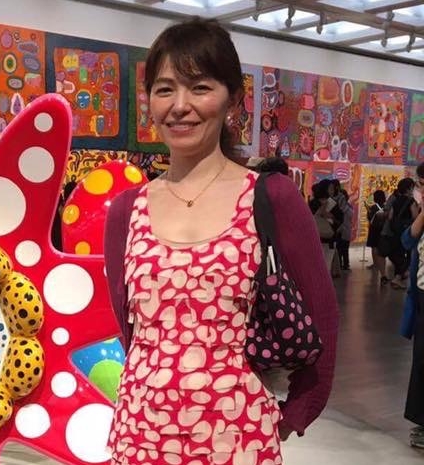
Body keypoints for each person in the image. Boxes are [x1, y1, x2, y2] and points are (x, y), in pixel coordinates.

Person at [103, 18, 338, 465]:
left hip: (238, 437)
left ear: (233, 100)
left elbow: (323, 317)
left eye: (200, 87)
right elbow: (129, 332)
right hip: (139, 435)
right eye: (165, 89)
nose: (180, 106)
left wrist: (298, 411)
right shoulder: (126, 211)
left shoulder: (270, 197)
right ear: (150, 101)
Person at [401, 163, 424, 449]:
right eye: (420, 184)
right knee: (420, 360)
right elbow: (407, 240)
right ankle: (420, 421)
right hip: (421, 296)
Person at [367, 190, 388, 284]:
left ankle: (375, 264)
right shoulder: (386, 207)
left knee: (374, 247)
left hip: (374, 229)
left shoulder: (373, 207)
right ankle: (380, 266)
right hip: (382, 229)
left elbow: (369, 218)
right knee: (381, 247)